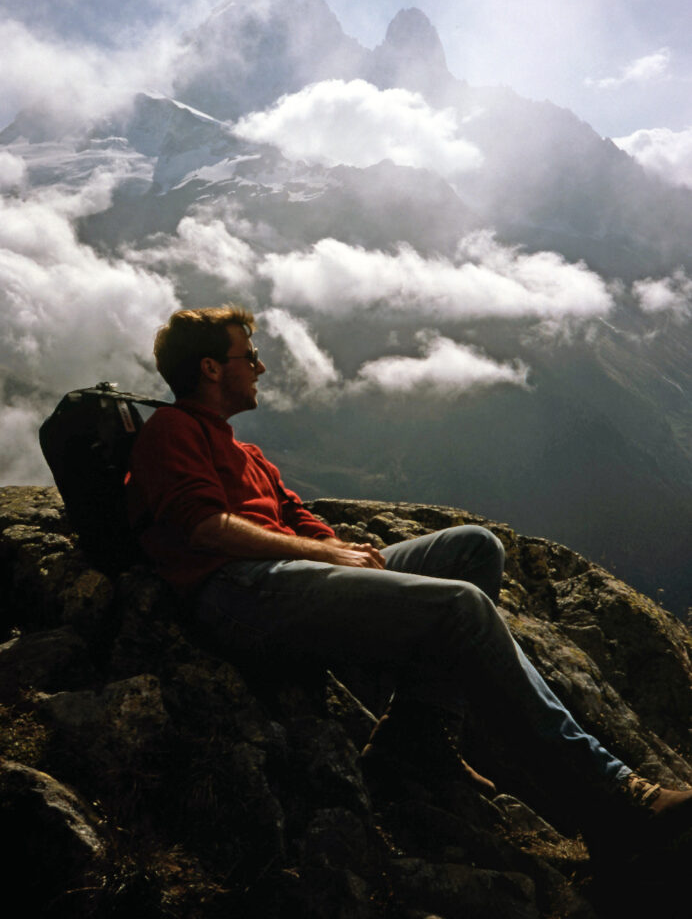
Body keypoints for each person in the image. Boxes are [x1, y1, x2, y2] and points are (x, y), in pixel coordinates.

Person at [127, 304, 692, 858]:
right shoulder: (172, 431)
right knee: (459, 608)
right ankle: (615, 796)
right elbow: (204, 527)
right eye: (248, 356)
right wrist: (324, 555)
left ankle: (418, 733)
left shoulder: (242, 449)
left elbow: (296, 516)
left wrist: (334, 546)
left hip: (284, 576)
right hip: (235, 592)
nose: (260, 367)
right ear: (209, 368)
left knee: (474, 548)